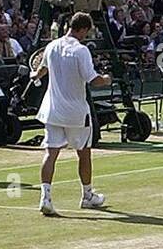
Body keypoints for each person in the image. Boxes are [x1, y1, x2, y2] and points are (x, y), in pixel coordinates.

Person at [33, 12, 112, 216]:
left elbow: (41, 70)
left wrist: (34, 75)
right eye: (88, 31)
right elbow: (92, 80)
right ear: (83, 30)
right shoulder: (81, 50)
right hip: (76, 113)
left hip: (52, 112)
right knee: (84, 152)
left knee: (51, 153)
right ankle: (87, 196)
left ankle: (46, 198)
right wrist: (106, 78)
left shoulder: (51, 46)